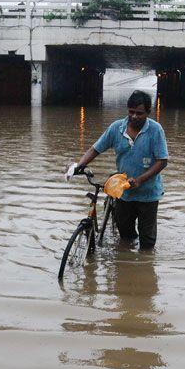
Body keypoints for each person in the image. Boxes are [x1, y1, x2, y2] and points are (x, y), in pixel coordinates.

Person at [73, 90, 169, 250]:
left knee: (147, 243)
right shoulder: (116, 128)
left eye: (139, 113)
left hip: (148, 194)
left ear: (148, 113)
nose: (134, 117)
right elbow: (95, 149)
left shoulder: (155, 130)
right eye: (131, 112)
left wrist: (139, 180)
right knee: (125, 234)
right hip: (123, 192)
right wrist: (79, 165)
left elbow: (162, 161)